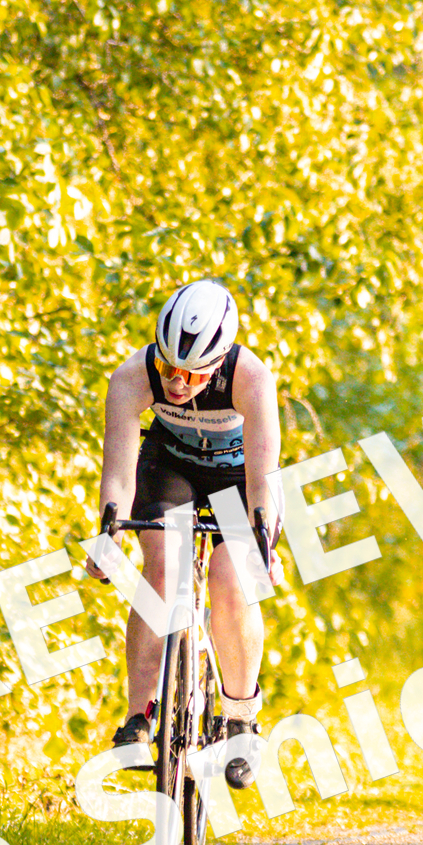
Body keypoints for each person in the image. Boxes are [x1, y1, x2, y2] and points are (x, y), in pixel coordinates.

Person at [89, 281, 282, 786]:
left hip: (237, 478)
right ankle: (139, 715)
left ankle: (240, 720)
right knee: (162, 570)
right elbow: (118, 473)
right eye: (169, 368)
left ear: (218, 364)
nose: (176, 383)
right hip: (168, 465)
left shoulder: (252, 379)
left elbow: (264, 478)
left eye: (192, 373)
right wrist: (106, 534)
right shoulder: (132, 376)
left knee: (230, 579)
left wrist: (264, 544)